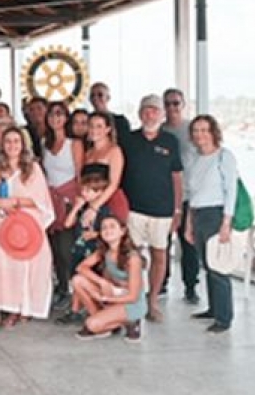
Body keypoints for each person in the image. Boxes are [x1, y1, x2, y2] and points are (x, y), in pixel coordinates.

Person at [0, 127, 54, 327]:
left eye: (16, 141)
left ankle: (25, 307)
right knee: (1, 266)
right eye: (8, 141)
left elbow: (41, 200)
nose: (12, 145)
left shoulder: (33, 168)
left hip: (25, 225)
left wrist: (16, 201)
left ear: (23, 144)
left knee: (24, 265)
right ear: (2, 144)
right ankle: (7, 307)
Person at [121, 95, 183, 323]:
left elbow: (177, 177)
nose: (150, 114)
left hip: (162, 211)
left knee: (159, 256)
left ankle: (153, 301)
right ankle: (134, 299)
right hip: (134, 209)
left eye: (155, 110)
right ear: (139, 114)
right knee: (132, 258)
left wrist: (177, 211)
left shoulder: (170, 141)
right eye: (146, 110)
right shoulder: (128, 140)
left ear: (162, 114)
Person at [185, 115, 238, 333]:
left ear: (213, 132)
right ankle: (214, 308)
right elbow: (192, 194)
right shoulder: (196, 159)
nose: (200, 135)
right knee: (206, 265)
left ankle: (224, 317)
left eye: (204, 130)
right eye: (196, 130)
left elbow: (231, 191)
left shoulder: (224, 156)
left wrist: (226, 222)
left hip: (216, 214)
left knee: (218, 267)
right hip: (198, 214)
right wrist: (188, 224)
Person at [71, 214, 146, 342]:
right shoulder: (104, 251)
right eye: (104, 228)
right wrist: (102, 282)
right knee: (77, 280)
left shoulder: (132, 258)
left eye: (112, 227)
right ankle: (107, 321)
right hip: (112, 293)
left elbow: (133, 296)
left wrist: (106, 298)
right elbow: (81, 267)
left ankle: (131, 321)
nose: (107, 230)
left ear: (122, 231)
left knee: (92, 324)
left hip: (130, 303)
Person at [55, 165, 111, 325]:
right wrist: (77, 207)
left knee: (88, 279)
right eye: (84, 190)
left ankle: (87, 309)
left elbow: (109, 231)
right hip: (79, 250)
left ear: (99, 193)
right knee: (76, 279)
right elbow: (67, 224)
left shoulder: (103, 211)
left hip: (94, 251)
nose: (84, 193)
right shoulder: (82, 208)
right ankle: (76, 309)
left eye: (89, 190)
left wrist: (95, 234)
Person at [42, 101, 84, 309]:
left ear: (66, 118)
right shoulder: (45, 143)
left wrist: (78, 203)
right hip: (51, 199)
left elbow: (79, 175)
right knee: (55, 248)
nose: (55, 118)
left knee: (67, 247)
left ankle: (75, 290)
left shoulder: (74, 144)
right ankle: (61, 288)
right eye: (51, 114)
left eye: (59, 114)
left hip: (68, 199)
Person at [162, 88, 199, 303]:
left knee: (189, 244)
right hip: (165, 197)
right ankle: (162, 283)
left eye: (176, 103)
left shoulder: (191, 130)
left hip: (189, 197)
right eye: (168, 103)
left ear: (183, 104)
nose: (172, 107)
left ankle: (191, 286)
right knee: (162, 244)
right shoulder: (160, 132)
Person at [82, 111, 128, 226]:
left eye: (99, 126)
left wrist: (94, 207)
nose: (94, 130)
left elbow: (114, 184)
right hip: (92, 203)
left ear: (108, 129)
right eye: (91, 125)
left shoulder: (114, 151)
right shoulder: (88, 153)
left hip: (112, 202)